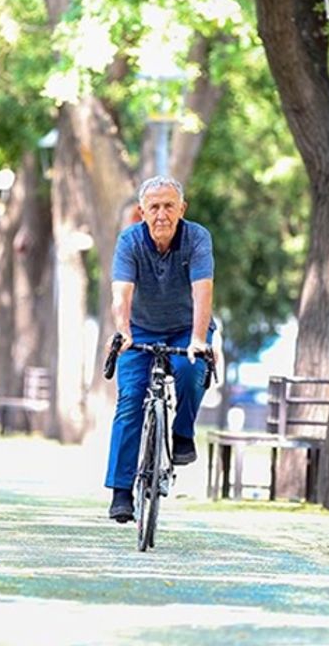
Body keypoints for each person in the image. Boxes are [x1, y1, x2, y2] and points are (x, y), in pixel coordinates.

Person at [105, 175, 215, 522]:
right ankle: (121, 493)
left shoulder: (197, 238)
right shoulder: (130, 241)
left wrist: (198, 340)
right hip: (139, 330)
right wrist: (123, 332)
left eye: (169, 206)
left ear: (182, 209)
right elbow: (121, 295)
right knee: (130, 399)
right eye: (154, 207)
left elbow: (203, 292)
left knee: (190, 370)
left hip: (187, 328)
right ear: (142, 211)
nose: (162, 214)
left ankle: (182, 433)